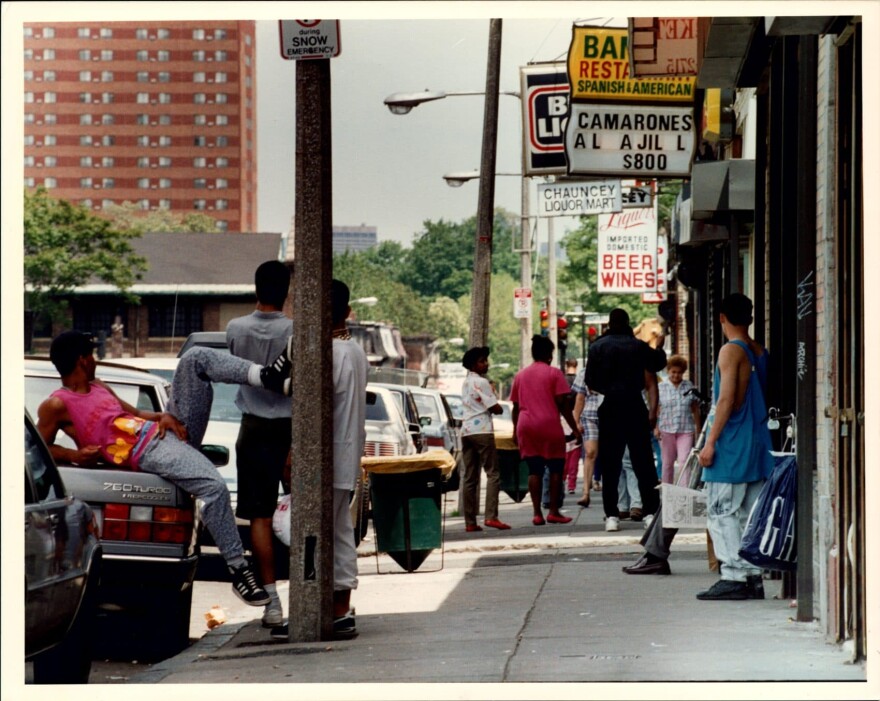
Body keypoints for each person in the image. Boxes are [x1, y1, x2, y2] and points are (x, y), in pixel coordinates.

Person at [36, 330, 292, 608]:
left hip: (164, 432)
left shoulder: (99, 387)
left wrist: (164, 415)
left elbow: (134, 414)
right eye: (92, 355)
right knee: (215, 488)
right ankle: (239, 570)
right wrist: (75, 455)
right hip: (149, 450)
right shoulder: (56, 404)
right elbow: (40, 446)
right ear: (83, 360)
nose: (95, 360)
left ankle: (265, 376)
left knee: (195, 358)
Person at [271, 279, 369, 639]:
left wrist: (297, 451)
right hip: (344, 453)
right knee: (338, 529)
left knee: (321, 531)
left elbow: (315, 410)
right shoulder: (354, 351)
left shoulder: (327, 353)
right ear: (346, 311)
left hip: (325, 455)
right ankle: (336, 607)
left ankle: (327, 609)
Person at [226, 260, 293, 627]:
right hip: (293, 427)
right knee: (306, 510)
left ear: (255, 289)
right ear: (286, 292)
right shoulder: (297, 331)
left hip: (252, 429)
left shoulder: (235, 328)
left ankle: (272, 603)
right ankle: (311, 590)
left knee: (260, 516)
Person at [696, 293, 775, 600]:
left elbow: (727, 400)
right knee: (749, 513)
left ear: (721, 318)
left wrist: (710, 442)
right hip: (757, 444)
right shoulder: (758, 350)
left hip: (731, 443)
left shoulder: (730, 351)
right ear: (751, 318)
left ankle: (733, 575)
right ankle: (752, 575)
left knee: (720, 511)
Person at [585, 309, 666, 532]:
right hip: (634, 406)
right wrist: (659, 345)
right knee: (643, 463)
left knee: (611, 464)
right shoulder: (638, 346)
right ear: (628, 323)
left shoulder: (597, 347)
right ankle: (650, 511)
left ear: (610, 324)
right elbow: (658, 363)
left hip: (610, 406)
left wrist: (608, 387)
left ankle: (611, 515)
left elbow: (590, 381)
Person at [509, 335, 582, 526]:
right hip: (549, 425)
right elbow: (563, 405)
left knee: (534, 470)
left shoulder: (521, 375)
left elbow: (516, 407)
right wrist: (575, 429)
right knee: (556, 468)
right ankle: (553, 511)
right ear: (549, 354)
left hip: (526, 426)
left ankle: (536, 513)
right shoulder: (554, 374)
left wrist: (515, 431)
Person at [459, 346, 510, 532]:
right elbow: (495, 408)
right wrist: (496, 400)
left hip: (467, 431)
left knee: (470, 477)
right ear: (473, 364)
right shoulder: (482, 382)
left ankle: (470, 521)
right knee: (493, 473)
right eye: (482, 361)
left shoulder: (465, 383)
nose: (486, 363)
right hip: (483, 431)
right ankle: (491, 516)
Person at [655, 355, 701, 485]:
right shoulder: (661, 387)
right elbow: (656, 409)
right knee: (667, 463)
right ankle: (667, 491)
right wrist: (656, 427)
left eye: (679, 372)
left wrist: (698, 429)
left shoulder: (689, 386)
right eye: (673, 372)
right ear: (668, 371)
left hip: (685, 429)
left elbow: (695, 408)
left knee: (684, 462)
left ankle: (683, 492)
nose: (676, 375)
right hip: (666, 429)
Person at [571, 368, 603, 508]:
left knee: (610, 456)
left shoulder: (613, 366)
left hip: (610, 415)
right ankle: (585, 493)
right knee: (590, 453)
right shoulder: (585, 372)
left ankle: (613, 494)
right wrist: (576, 422)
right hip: (589, 416)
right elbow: (580, 397)